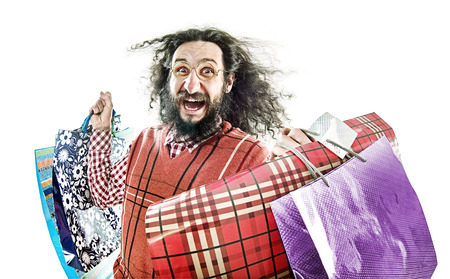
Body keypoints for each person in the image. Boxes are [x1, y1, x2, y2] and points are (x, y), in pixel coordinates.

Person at [88, 27, 311, 278]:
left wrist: (305, 172)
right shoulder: (144, 140)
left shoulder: (252, 157)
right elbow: (104, 195)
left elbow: (285, 244)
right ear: (169, 80)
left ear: (227, 82)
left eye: (207, 71)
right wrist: (101, 129)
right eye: (182, 70)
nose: (191, 85)